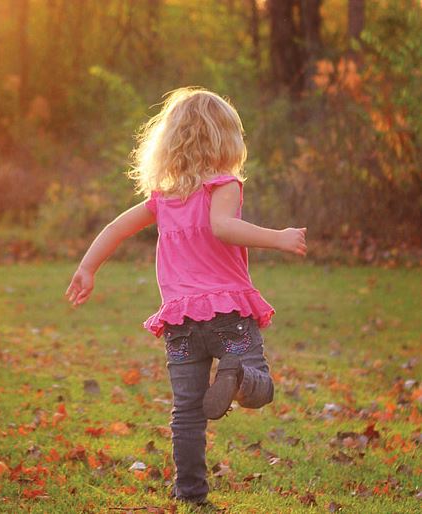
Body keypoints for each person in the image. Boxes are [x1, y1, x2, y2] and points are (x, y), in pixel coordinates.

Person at [64, 87, 307, 507]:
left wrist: (88, 268)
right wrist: (279, 238)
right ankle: (237, 379)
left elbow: (115, 229)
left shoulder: (163, 199)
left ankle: (191, 495)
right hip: (228, 317)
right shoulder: (224, 184)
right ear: (226, 140)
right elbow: (223, 228)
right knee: (261, 387)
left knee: (187, 414)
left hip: (181, 325)